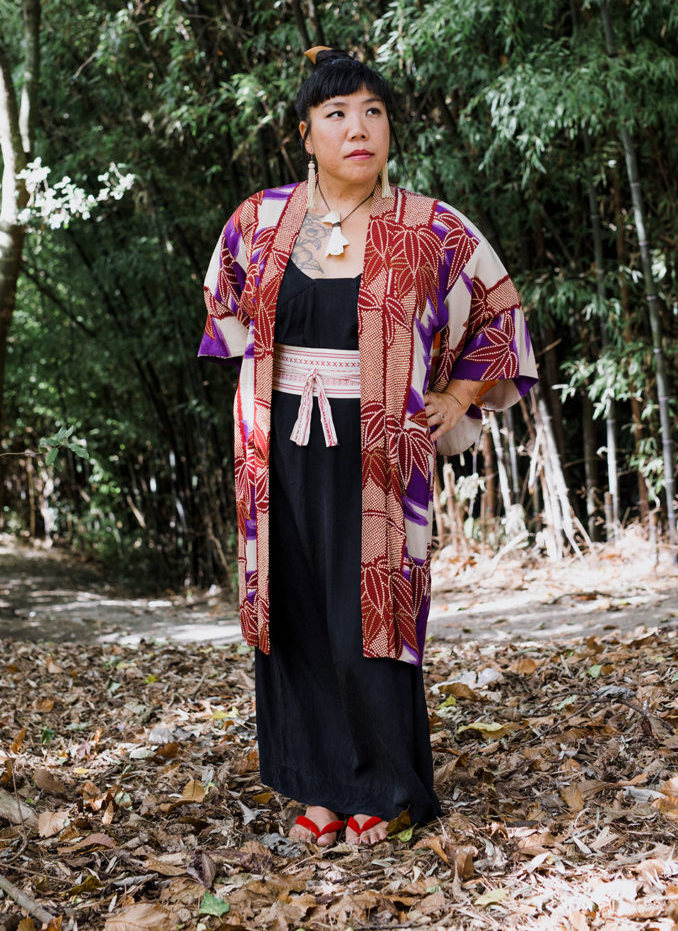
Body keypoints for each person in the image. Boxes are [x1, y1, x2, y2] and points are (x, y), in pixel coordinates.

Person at [199, 47, 537, 847]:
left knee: (372, 611)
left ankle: (383, 788)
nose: (359, 129)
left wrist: (457, 396)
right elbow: (225, 312)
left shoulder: (432, 227)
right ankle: (315, 789)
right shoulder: (260, 220)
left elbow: (500, 315)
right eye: (337, 115)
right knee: (296, 609)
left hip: (381, 445)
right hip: (277, 443)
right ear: (305, 135)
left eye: (373, 112)